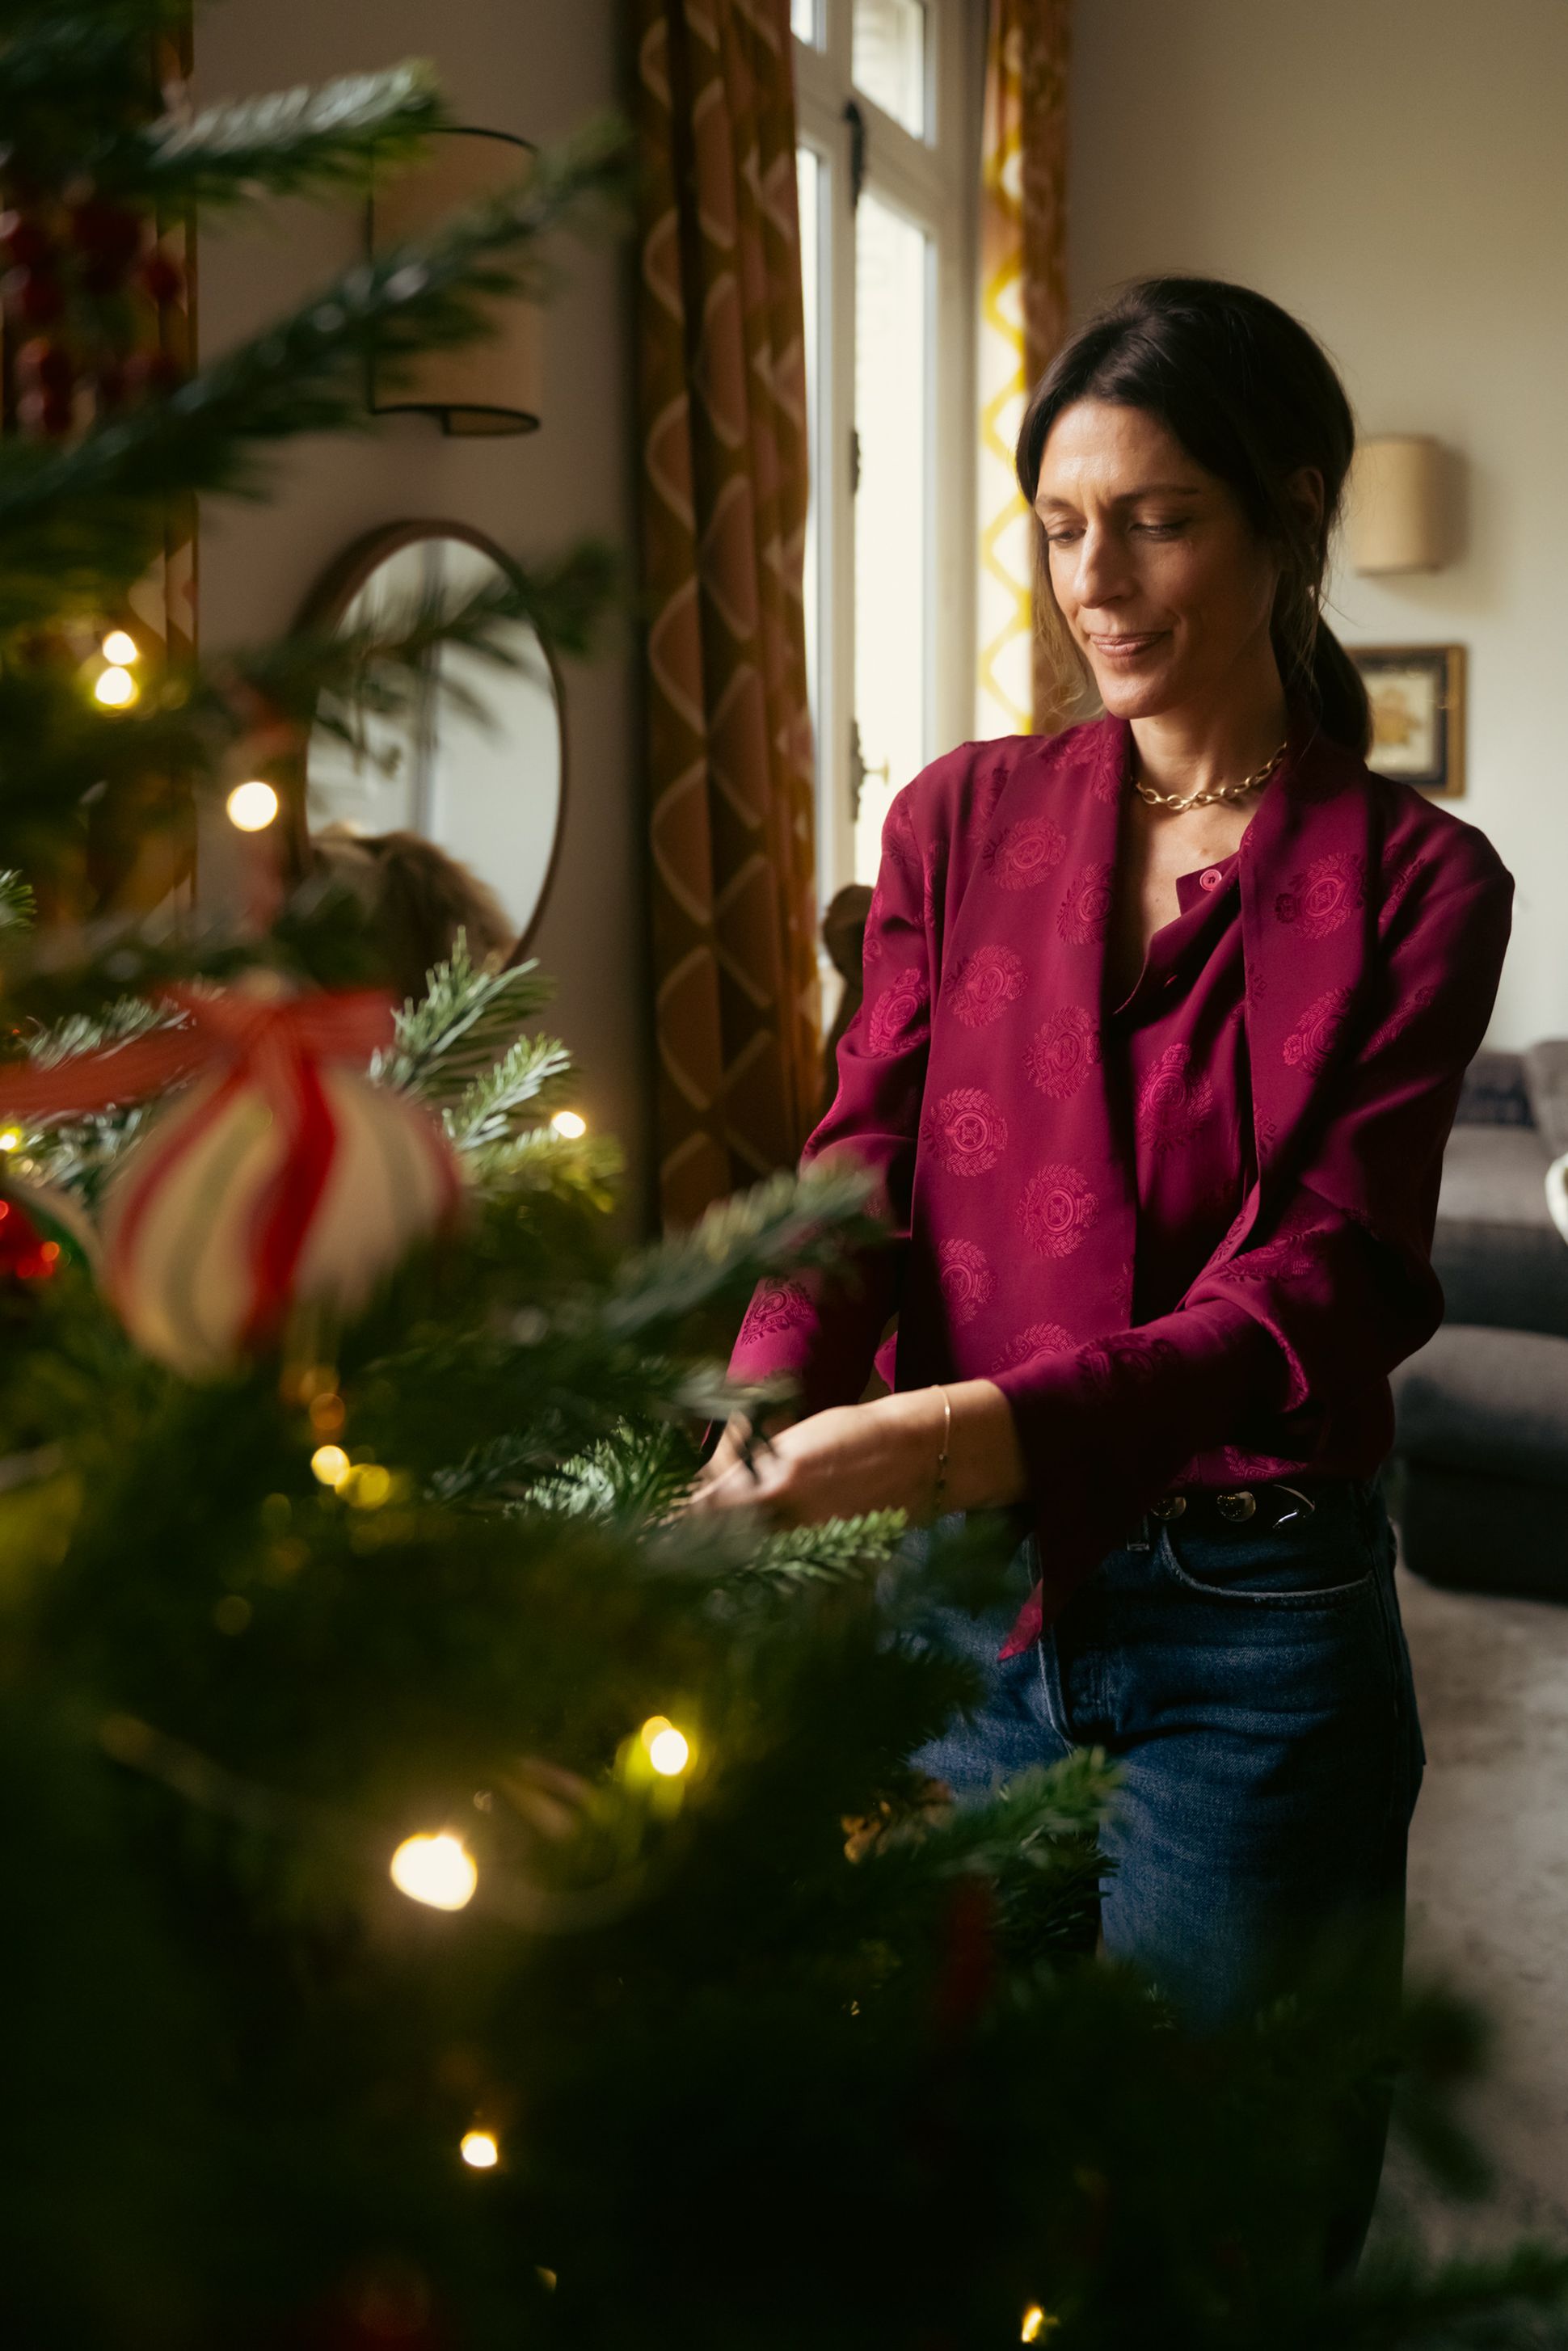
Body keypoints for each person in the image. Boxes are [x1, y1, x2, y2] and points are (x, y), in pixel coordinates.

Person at [688, 277, 1514, 2241]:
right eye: (1060, 524)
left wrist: (937, 1436)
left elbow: (1315, 1287)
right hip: (955, 1616)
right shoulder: (962, 819)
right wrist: (762, 1400)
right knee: (940, 2191)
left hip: (1258, 1633)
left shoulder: (1419, 886)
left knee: (1209, 2229)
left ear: (1284, 512)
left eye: (1158, 518)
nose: (1096, 578)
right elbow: (857, 1156)